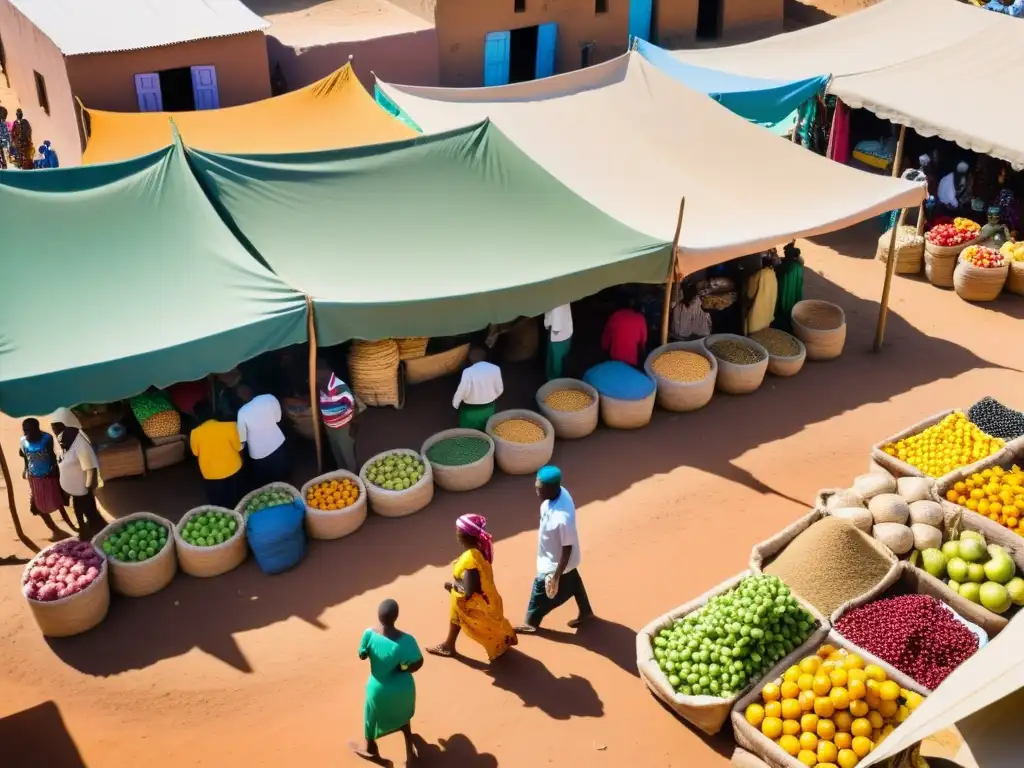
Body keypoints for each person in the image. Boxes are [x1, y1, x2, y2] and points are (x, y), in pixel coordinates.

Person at [426, 514, 517, 661]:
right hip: (490, 598)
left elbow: (468, 591)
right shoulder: (480, 550)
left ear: (463, 535)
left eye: (458, 530)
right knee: (457, 616)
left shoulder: (470, 560)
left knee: (462, 615)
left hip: (477, 603)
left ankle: (448, 646)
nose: (456, 533)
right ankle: (449, 645)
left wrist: (452, 585)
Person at [517, 466, 594, 634]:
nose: (537, 491)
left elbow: (567, 549)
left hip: (556, 561)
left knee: (540, 588)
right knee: (573, 581)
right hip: (552, 554)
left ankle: (530, 622)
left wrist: (556, 576)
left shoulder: (562, 518)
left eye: (540, 489)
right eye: (536, 486)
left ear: (552, 488)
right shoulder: (560, 493)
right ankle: (586, 612)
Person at [350, 599, 423, 762]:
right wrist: (403, 668)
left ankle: (371, 748)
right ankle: (410, 753)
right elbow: (418, 663)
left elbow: (362, 654)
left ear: (378, 615)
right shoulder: (407, 640)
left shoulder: (369, 634)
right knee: (403, 717)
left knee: (370, 716)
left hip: (378, 688)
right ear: (396, 617)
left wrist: (366, 653)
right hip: (403, 688)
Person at [50, 408, 103, 538]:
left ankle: (92, 533)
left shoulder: (80, 443)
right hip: (74, 489)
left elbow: (89, 467)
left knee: (84, 510)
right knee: (83, 511)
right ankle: (91, 529)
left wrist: (87, 486)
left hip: (82, 488)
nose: (55, 432)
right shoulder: (64, 441)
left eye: (57, 428)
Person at [19, 418, 75, 536]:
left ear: (37, 429)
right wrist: (25, 469)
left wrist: (55, 473)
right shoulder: (23, 441)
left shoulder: (46, 438)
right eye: (25, 430)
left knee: (59, 502)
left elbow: (52, 456)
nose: (26, 433)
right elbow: (25, 456)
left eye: (29, 430)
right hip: (34, 478)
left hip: (49, 476)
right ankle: (55, 530)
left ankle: (73, 526)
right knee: (37, 506)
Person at [189, 402, 245, 508]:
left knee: (217, 503)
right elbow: (239, 447)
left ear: (197, 416)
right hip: (233, 469)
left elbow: (195, 453)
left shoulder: (195, 433)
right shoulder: (230, 426)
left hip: (211, 474)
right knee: (236, 498)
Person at [236, 390, 289, 486]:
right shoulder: (269, 398)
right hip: (277, 442)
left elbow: (242, 437)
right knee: (281, 476)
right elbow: (278, 418)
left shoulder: (242, 412)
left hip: (259, 452)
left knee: (265, 482)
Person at [451, 346, 503, 431]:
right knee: (486, 427)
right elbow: (499, 388)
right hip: (488, 407)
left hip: (470, 410)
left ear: (470, 358)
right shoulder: (495, 369)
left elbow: (461, 391)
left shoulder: (468, 372)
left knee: (468, 431)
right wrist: (491, 396)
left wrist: (455, 404)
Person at [317, 365, 357, 471]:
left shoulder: (340, 388)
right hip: (330, 426)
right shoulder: (321, 385)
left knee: (345, 450)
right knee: (336, 449)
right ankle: (341, 470)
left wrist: (348, 424)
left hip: (342, 427)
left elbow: (352, 407)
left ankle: (352, 473)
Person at [601, 298, 648, 367]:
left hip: (615, 358)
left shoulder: (614, 316)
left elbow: (606, 337)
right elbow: (643, 340)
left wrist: (604, 348)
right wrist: (642, 350)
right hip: (632, 360)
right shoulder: (640, 318)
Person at [543, 304, 573, 380]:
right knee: (561, 356)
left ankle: (554, 379)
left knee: (556, 359)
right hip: (564, 329)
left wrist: (554, 328)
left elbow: (556, 313)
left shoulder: (555, 300)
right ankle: (556, 377)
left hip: (558, 332)